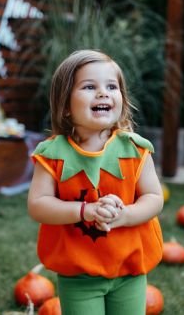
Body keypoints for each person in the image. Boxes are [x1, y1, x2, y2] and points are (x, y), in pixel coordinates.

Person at [27, 50, 164, 315]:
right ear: (66, 104)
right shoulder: (52, 154)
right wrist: (85, 210)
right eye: (89, 87)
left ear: (121, 100)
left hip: (129, 270)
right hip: (79, 275)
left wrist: (125, 215)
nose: (103, 93)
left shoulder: (135, 150)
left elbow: (154, 198)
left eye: (111, 86)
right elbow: (38, 205)